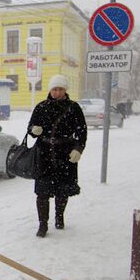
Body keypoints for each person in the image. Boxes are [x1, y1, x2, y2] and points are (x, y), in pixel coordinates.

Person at [27, 74, 87, 238]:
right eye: (54, 89)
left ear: (65, 90)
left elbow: (82, 131)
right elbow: (30, 128)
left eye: (60, 89)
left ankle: (59, 217)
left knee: (62, 190)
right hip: (44, 154)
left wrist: (78, 149)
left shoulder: (73, 108)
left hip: (65, 154)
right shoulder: (41, 107)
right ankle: (42, 225)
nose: (57, 92)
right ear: (50, 90)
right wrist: (34, 130)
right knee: (42, 192)